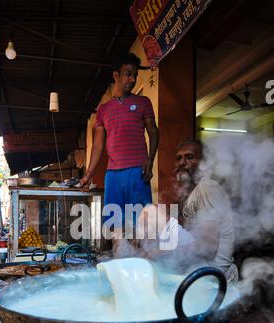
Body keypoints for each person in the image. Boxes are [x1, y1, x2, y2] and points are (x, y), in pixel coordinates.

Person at [80, 52, 159, 251]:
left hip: (137, 174)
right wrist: (88, 174)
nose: (132, 80)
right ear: (116, 75)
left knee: (140, 228)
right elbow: (98, 145)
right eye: (127, 74)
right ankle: (119, 270)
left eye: (134, 75)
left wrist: (150, 160)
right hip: (113, 176)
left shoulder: (143, 103)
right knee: (115, 228)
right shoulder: (104, 110)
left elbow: (154, 133)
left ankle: (141, 272)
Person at [138, 140, 238, 283]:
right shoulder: (191, 193)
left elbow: (208, 247)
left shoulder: (208, 187)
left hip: (213, 273)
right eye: (178, 158)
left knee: (151, 212)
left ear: (204, 163)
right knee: (151, 213)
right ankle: (145, 266)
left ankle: (147, 265)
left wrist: (159, 253)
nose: (182, 163)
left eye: (189, 157)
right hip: (200, 267)